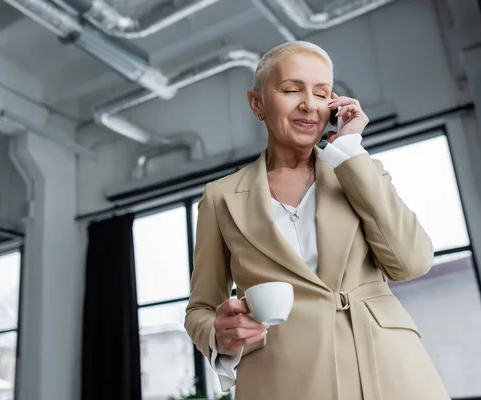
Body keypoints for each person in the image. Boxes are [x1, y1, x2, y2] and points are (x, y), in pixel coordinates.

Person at [184, 41, 449, 400]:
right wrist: (218, 333)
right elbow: (200, 308)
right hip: (280, 380)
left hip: (387, 371)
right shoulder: (220, 198)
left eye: (322, 93)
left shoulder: (357, 170)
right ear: (257, 103)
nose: (309, 104)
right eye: (292, 90)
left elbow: (411, 262)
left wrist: (350, 151)